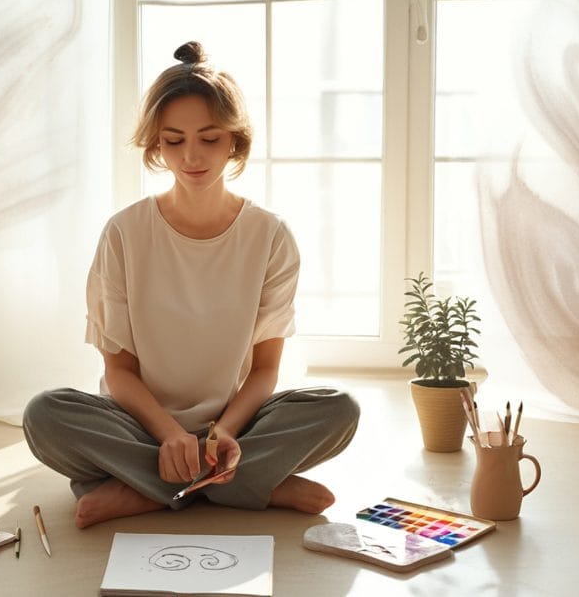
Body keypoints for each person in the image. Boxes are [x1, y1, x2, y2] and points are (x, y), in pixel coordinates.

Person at [23, 41, 360, 529]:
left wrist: (221, 432)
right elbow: (118, 371)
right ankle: (247, 486)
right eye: (174, 140)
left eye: (209, 138)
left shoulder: (270, 236)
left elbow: (266, 370)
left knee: (339, 409)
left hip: (235, 426)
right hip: (139, 426)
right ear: (157, 144)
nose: (192, 156)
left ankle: (152, 489)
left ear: (234, 141)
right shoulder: (123, 233)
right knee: (45, 415)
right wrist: (169, 436)